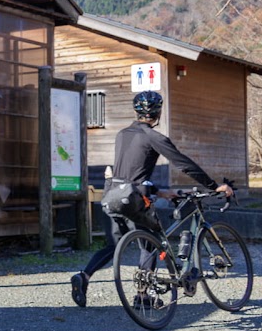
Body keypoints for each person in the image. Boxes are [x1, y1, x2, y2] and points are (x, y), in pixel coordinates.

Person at [70, 90, 233, 307]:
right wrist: (214, 186)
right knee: (151, 242)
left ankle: (84, 276)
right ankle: (143, 296)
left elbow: (128, 173)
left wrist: (158, 191)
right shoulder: (154, 136)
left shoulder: (122, 134)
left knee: (114, 245)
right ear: (158, 112)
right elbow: (182, 163)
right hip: (134, 198)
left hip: (112, 195)